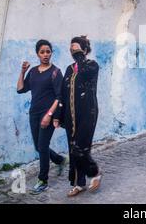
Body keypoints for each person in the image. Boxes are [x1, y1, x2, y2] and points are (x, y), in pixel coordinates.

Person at [54, 36, 101, 197]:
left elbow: (84, 71)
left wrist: (80, 56)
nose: (72, 52)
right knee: (73, 149)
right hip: (70, 116)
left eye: (76, 49)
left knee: (80, 148)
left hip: (88, 113)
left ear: (85, 50)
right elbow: (62, 94)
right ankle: (79, 183)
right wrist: (58, 116)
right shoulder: (68, 69)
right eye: (71, 49)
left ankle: (94, 173)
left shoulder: (92, 66)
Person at [17, 39, 66, 194]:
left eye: (48, 51)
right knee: (38, 147)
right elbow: (20, 89)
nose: (45, 55)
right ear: (37, 54)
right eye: (42, 52)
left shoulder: (56, 72)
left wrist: (49, 115)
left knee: (43, 146)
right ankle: (59, 160)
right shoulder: (33, 72)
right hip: (34, 113)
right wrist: (22, 71)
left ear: (51, 53)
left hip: (49, 114)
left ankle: (43, 180)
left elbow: (60, 97)